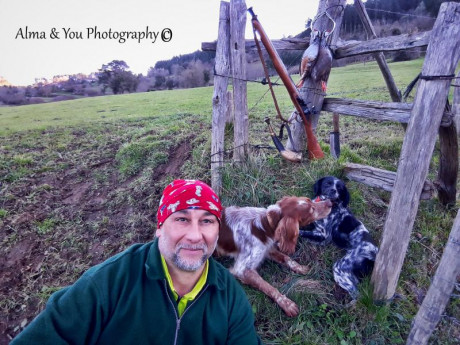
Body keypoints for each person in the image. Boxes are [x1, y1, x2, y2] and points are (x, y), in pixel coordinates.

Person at [12, 179, 263, 345]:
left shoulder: (229, 297)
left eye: (207, 221)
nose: (195, 236)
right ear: (159, 227)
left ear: (217, 232)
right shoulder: (107, 284)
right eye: (182, 220)